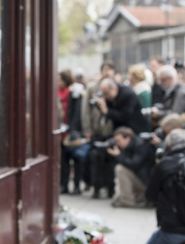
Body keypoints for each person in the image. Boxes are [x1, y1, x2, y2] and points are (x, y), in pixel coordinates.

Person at [81, 61, 116, 199]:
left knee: (110, 161)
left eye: (110, 69)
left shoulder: (116, 87)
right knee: (95, 159)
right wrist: (87, 129)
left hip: (111, 130)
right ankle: (96, 187)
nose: (107, 72)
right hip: (96, 129)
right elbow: (86, 110)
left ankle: (110, 188)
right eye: (105, 69)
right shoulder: (92, 88)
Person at [107, 127, 155, 208]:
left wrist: (119, 155)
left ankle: (127, 201)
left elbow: (134, 165)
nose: (117, 143)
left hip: (145, 182)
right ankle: (131, 198)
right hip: (140, 180)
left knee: (120, 169)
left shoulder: (141, 145)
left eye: (118, 141)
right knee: (117, 198)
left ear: (128, 138)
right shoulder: (128, 146)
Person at [58, 70, 85, 194]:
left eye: (60, 80)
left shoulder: (74, 93)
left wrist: (72, 129)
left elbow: (77, 112)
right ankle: (63, 184)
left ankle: (77, 185)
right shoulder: (57, 93)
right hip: (60, 131)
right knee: (63, 160)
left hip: (73, 130)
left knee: (77, 158)